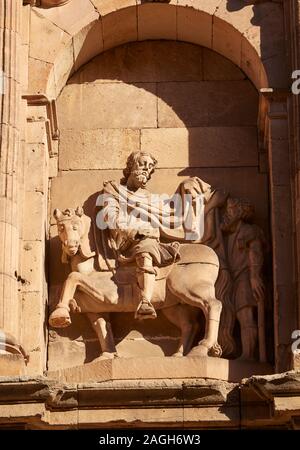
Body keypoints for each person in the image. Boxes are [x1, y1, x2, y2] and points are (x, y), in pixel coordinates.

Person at [221, 197, 265, 360]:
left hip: (245, 278)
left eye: (230, 209)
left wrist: (254, 277)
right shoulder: (227, 235)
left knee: (245, 317)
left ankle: (248, 355)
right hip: (232, 280)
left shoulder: (248, 231)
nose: (226, 214)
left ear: (240, 212)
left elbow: (256, 253)